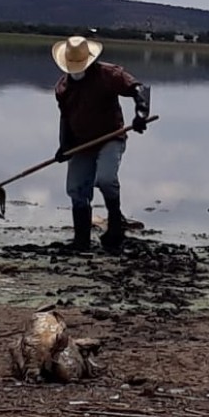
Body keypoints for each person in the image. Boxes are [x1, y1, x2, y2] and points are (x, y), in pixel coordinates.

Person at [52, 35, 150, 254]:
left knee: (105, 179)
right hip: (80, 143)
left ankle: (115, 228)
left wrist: (141, 114)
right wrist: (64, 146)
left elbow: (139, 89)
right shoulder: (63, 88)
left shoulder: (108, 74)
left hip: (110, 137)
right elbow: (65, 118)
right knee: (76, 189)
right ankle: (81, 241)